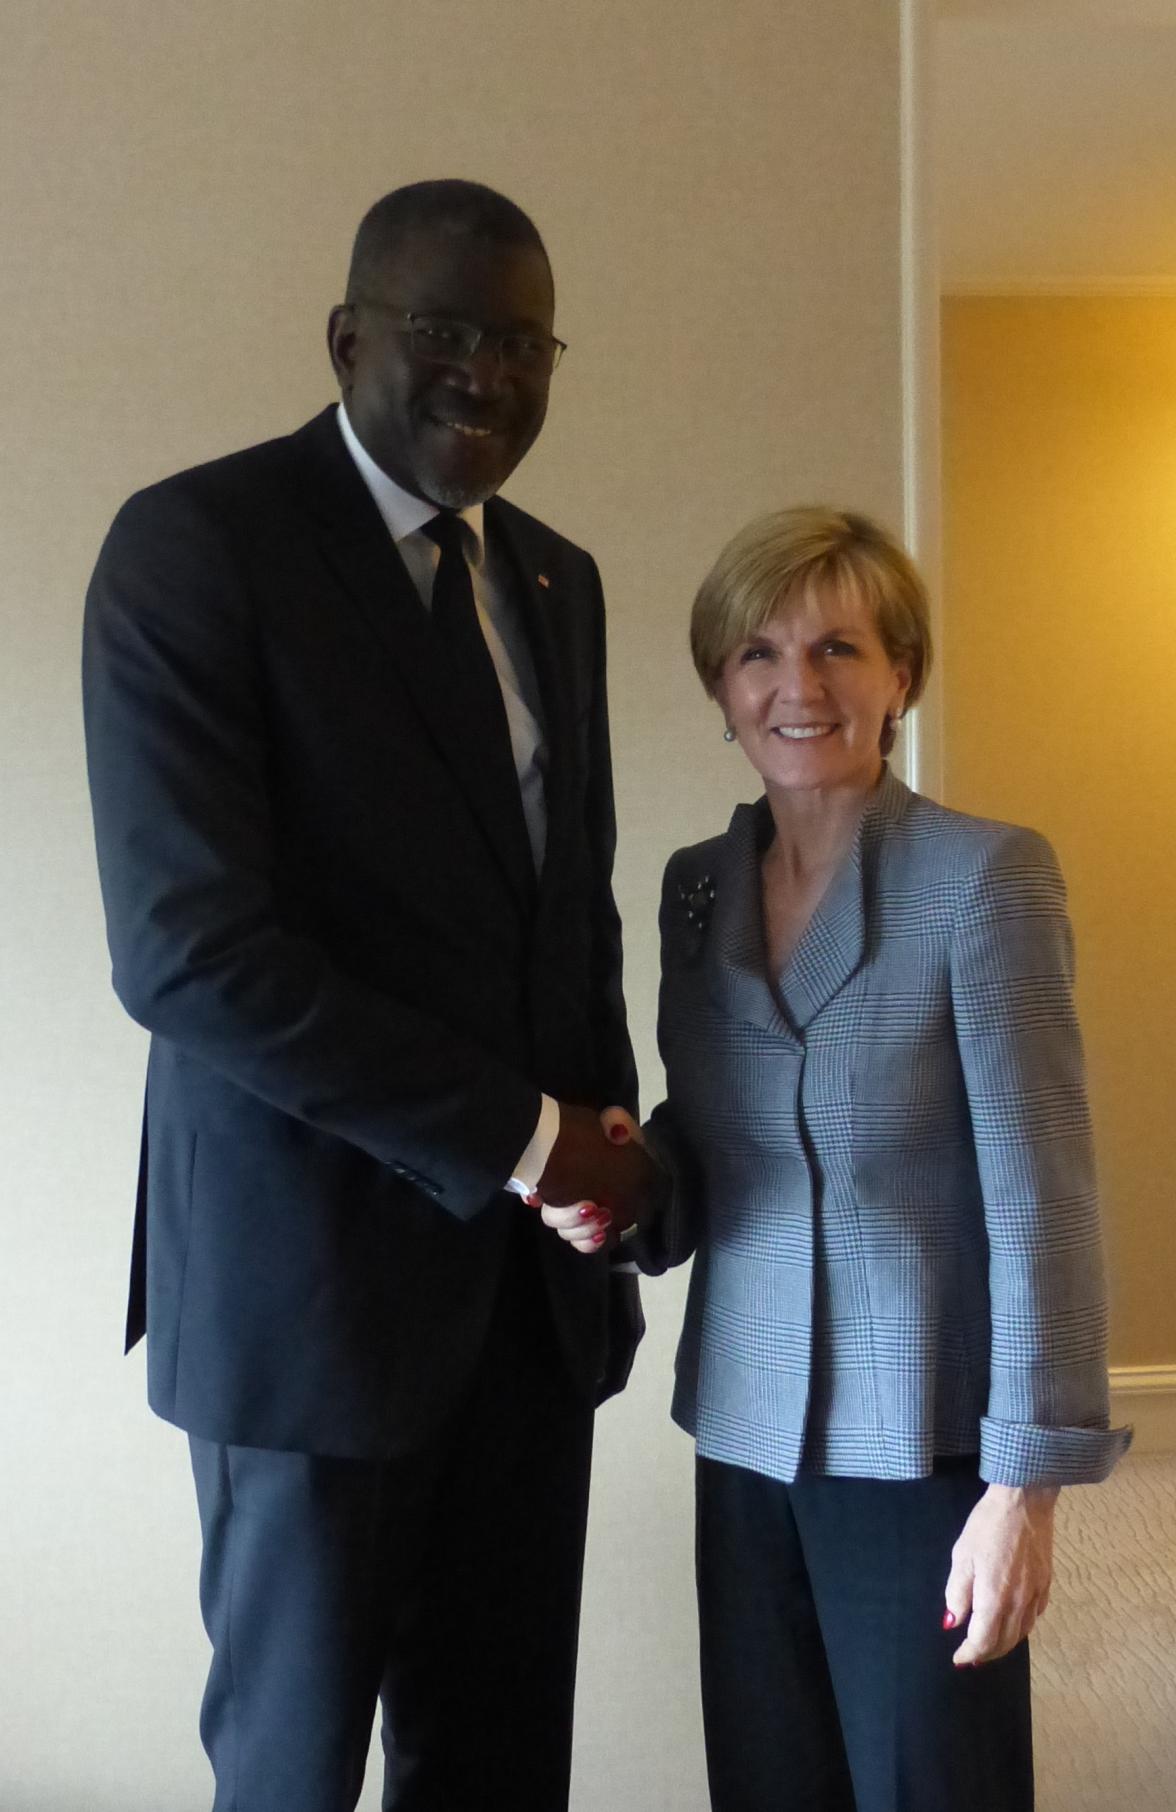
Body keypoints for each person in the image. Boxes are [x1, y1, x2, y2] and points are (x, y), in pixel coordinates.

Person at [82, 179, 659, 1812]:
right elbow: (191, 954)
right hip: (306, 1297)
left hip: (528, 1311)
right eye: (447, 333)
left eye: (525, 343)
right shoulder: (199, 545)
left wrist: (614, 1163)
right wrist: (531, 1140)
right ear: (349, 340)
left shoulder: (561, 578)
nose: (488, 373)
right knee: (291, 1770)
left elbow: (566, 917)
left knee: (495, 1766)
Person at [541, 507, 1130, 1812]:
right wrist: (635, 1187)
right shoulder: (698, 888)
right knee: (771, 1784)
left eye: (840, 650)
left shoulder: (986, 879)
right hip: (746, 1437)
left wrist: (1023, 1486)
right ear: (719, 685)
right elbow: (719, 1127)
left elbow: (1046, 1198)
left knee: (937, 1787)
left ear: (900, 676)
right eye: (758, 653)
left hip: (921, 1444)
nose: (796, 687)